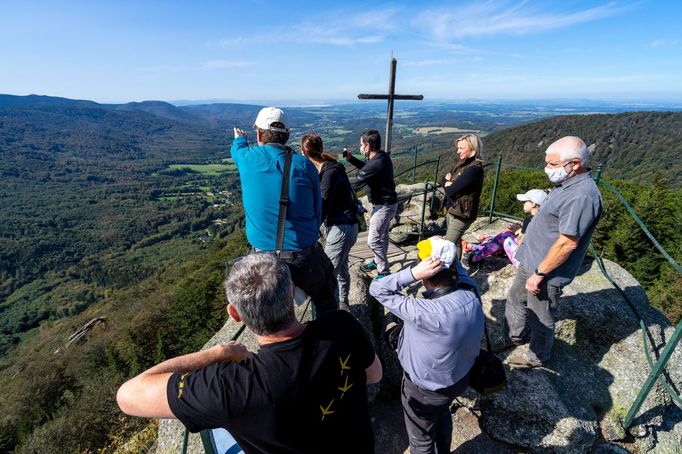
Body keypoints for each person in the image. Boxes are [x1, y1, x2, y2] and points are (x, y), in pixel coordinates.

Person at [117, 253, 382, 454]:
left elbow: (127, 395)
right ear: (291, 292)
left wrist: (215, 354)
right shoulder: (340, 326)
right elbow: (374, 375)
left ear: (235, 315)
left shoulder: (231, 387)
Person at [494, 136, 602, 369]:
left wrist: (540, 273)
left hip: (546, 272)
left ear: (574, 164)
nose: (547, 169)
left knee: (540, 316)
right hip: (531, 262)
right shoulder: (567, 184)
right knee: (515, 298)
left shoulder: (582, 196)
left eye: (552, 164)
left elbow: (567, 243)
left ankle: (537, 357)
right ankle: (514, 336)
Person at [369, 237, 484, 454]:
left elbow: (377, 289)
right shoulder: (471, 289)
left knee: (421, 439)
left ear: (427, 272)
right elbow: (458, 269)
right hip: (459, 379)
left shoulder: (423, 311)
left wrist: (412, 274)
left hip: (423, 389)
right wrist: (448, 256)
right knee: (442, 415)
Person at [231, 107, 338, 313]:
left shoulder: (246, 158)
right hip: (303, 254)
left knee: (274, 315)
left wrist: (240, 138)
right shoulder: (304, 165)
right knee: (325, 296)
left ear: (260, 134)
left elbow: (236, 148)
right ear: (287, 136)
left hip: (261, 259)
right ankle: (326, 337)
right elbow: (317, 211)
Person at [301, 133, 359, 310]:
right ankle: (343, 304)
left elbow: (322, 204)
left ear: (304, 152)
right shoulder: (329, 169)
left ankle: (331, 314)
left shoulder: (329, 173)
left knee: (327, 275)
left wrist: (308, 228)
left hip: (341, 228)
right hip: (343, 226)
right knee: (340, 269)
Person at [343, 129, 398, 279]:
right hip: (389, 203)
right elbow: (367, 168)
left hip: (383, 206)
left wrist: (336, 181)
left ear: (367, 146)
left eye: (361, 144)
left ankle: (383, 270)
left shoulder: (375, 164)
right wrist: (351, 159)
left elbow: (354, 185)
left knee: (373, 240)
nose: (360, 147)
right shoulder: (382, 157)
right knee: (383, 236)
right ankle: (378, 260)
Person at [463, 188, 548, 267]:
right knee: (506, 237)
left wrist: (516, 233)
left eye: (525, 201)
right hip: (540, 260)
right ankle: (475, 248)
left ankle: (474, 259)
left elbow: (521, 244)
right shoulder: (546, 219)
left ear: (533, 204)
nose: (523, 204)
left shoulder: (529, 220)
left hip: (525, 263)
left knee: (504, 236)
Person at [441, 134, 484, 257]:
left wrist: (450, 184)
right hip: (453, 209)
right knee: (456, 243)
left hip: (462, 214)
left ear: (473, 149)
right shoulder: (461, 164)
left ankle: (449, 273)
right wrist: (447, 183)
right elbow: (444, 179)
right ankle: (458, 272)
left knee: (447, 245)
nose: (458, 151)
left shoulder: (474, 170)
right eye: (458, 148)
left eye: (461, 148)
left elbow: (450, 191)